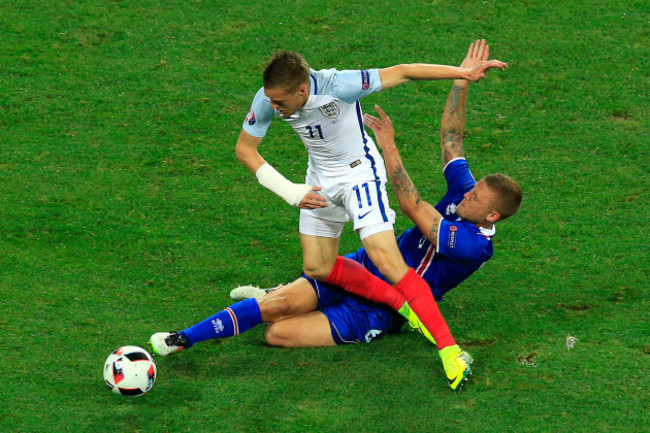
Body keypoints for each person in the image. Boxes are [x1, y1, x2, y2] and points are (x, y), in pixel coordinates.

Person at [150, 41, 522, 391]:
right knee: (315, 270)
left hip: (359, 175)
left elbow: (404, 71)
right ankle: (183, 338)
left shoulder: (339, 85)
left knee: (388, 261)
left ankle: (447, 349)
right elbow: (245, 150)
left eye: (280, 102)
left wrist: (454, 78)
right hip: (319, 182)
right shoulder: (268, 99)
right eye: (270, 100)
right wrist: (462, 77)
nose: (274, 108)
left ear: (300, 90)